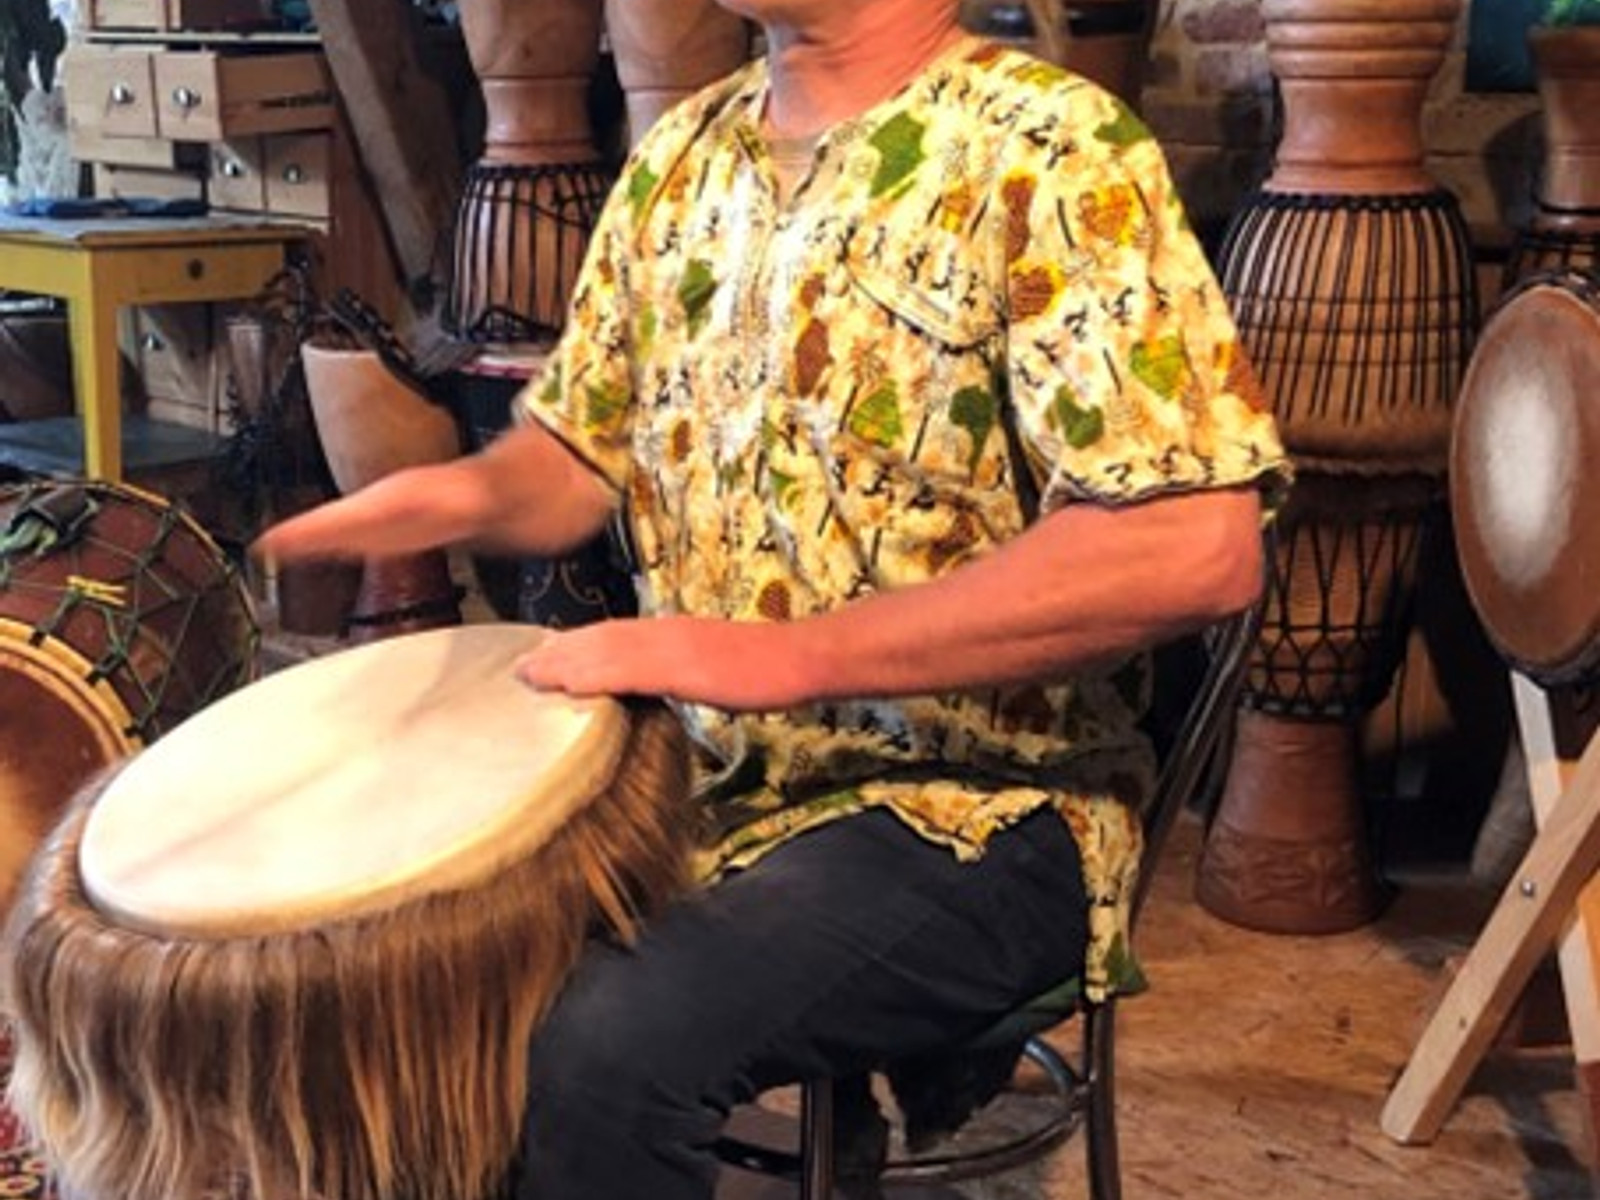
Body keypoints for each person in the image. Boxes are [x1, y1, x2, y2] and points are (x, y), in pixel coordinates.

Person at [258, 0, 1289, 1195]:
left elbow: (1187, 546)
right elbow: (574, 459)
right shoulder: (679, 159)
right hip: (697, 782)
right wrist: (462, 495)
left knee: (600, 1045)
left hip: (984, 807)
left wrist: (784, 656)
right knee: (401, 961)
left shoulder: (1054, 153)